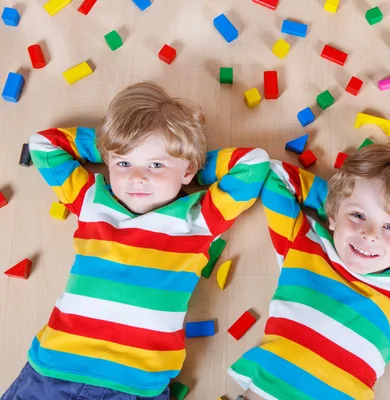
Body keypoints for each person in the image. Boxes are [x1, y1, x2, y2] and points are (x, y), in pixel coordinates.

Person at [1, 82, 270, 400]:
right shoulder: (92, 201)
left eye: (156, 165)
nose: (136, 177)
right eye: (123, 163)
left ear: (188, 170)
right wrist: (111, 145)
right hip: (54, 371)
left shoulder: (198, 219)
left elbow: (254, 164)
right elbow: (44, 146)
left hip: (136, 386)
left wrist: (190, 160)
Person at [228, 143, 390, 400]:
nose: (369, 235)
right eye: (358, 216)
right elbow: (277, 175)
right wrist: (338, 203)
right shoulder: (304, 244)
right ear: (333, 215)